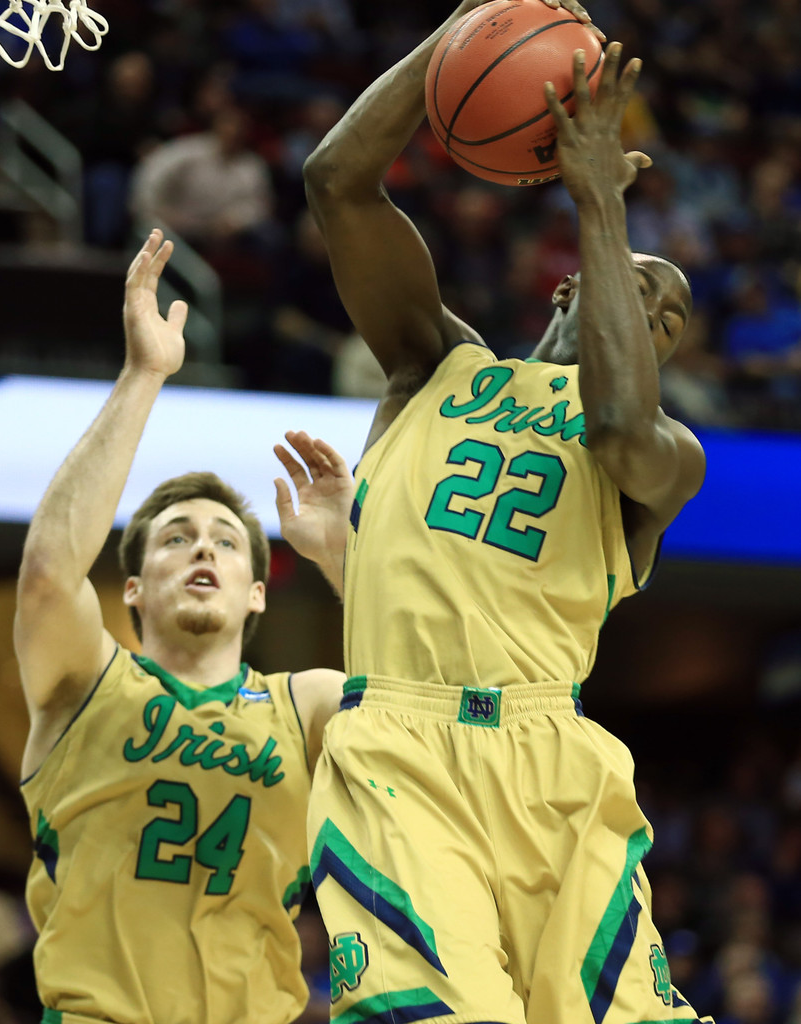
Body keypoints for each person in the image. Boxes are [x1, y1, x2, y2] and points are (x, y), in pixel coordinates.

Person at [282, 1, 713, 1020]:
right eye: (638, 290)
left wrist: (600, 205)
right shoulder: (433, 364)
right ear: (567, 291)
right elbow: (337, 183)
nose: (654, 313)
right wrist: (462, 30)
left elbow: (614, 422)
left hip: (554, 759)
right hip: (399, 749)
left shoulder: (665, 454)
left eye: (668, 320)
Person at [13, 229, 345, 1024]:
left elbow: (429, 710)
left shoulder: (308, 706)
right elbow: (49, 576)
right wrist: (144, 375)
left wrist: (345, 559)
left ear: (257, 594)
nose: (203, 548)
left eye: (226, 542)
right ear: (132, 588)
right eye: (176, 538)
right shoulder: (84, 685)